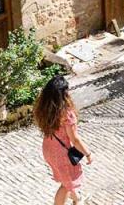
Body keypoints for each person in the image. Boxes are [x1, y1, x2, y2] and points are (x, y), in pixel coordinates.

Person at [34, 75, 93, 205]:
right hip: (61, 154)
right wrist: (88, 153)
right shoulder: (67, 114)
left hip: (48, 149)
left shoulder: (45, 108)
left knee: (66, 179)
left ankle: (77, 199)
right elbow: (75, 139)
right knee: (66, 184)